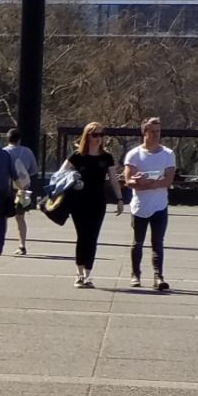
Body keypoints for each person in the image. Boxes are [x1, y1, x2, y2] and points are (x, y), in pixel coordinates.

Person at [123, 116, 177, 291]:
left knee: (157, 242)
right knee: (137, 242)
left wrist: (153, 183)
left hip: (160, 205)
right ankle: (135, 274)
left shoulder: (168, 154)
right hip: (140, 206)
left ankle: (158, 276)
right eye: (152, 131)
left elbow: (168, 179)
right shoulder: (134, 154)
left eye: (158, 132)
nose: (155, 135)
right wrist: (137, 181)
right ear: (144, 132)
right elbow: (128, 181)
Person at [64, 122, 121, 286]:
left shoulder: (106, 157)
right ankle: (79, 273)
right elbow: (61, 174)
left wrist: (119, 199)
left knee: (93, 237)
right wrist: (72, 178)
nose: (99, 138)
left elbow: (114, 180)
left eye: (101, 135)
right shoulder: (77, 156)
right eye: (95, 134)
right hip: (78, 201)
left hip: (97, 202)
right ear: (87, 135)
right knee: (82, 236)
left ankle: (88, 273)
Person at [5, 127, 38, 256]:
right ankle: (22, 245)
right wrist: (24, 175)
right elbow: (34, 169)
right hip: (22, 189)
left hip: (7, 187)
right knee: (20, 218)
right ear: (19, 139)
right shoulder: (27, 151)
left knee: (2, 217)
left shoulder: (4, 152)